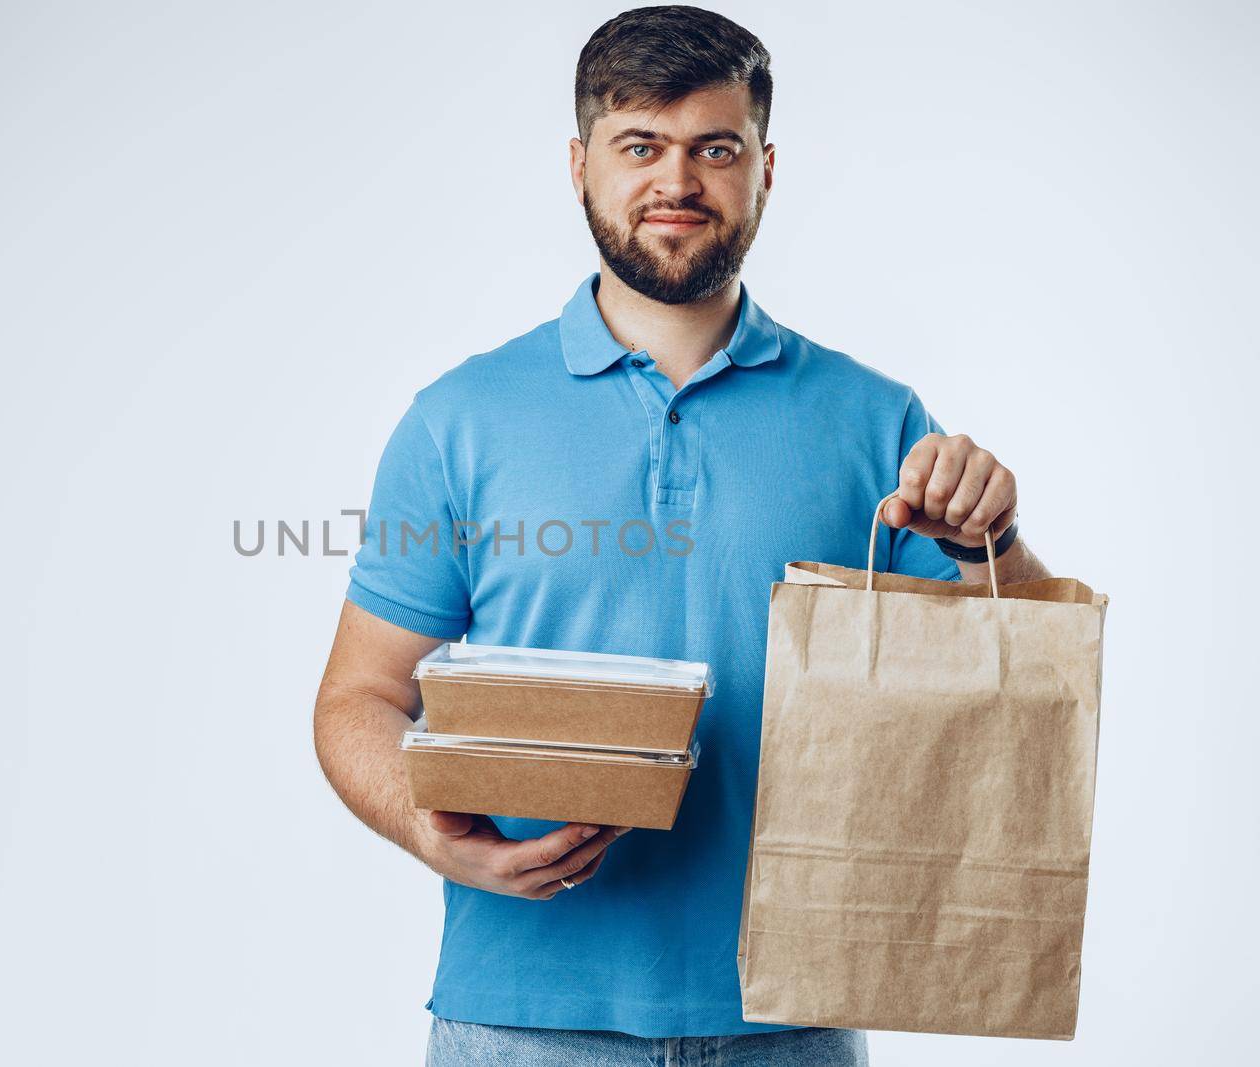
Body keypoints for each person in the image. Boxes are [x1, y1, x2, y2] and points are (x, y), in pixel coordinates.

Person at [313, 6, 1053, 1064]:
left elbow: (1020, 693)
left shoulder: (872, 416)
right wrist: (431, 830)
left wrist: (995, 543)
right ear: (579, 166)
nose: (677, 181)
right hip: (518, 1018)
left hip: (790, 1017)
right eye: (639, 147)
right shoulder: (459, 418)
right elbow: (358, 697)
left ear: (764, 167)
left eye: (715, 148)